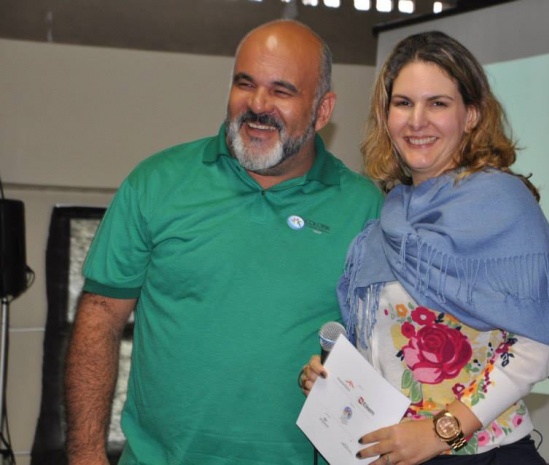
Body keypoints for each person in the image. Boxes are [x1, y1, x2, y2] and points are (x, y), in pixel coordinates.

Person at [64, 20, 384, 465]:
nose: (258, 105)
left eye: (282, 90)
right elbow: (100, 316)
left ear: (322, 109)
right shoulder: (156, 183)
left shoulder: (365, 207)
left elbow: (387, 346)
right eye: (245, 84)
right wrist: (85, 455)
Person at [299, 31, 549, 465]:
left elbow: (541, 344)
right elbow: (388, 348)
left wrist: (440, 431)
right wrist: (335, 375)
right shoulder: (389, 215)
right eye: (403, 103)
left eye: (437, 104)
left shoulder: (503, 203)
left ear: (471, 115)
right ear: (386, 116)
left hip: (483, 456)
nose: (417, 121)